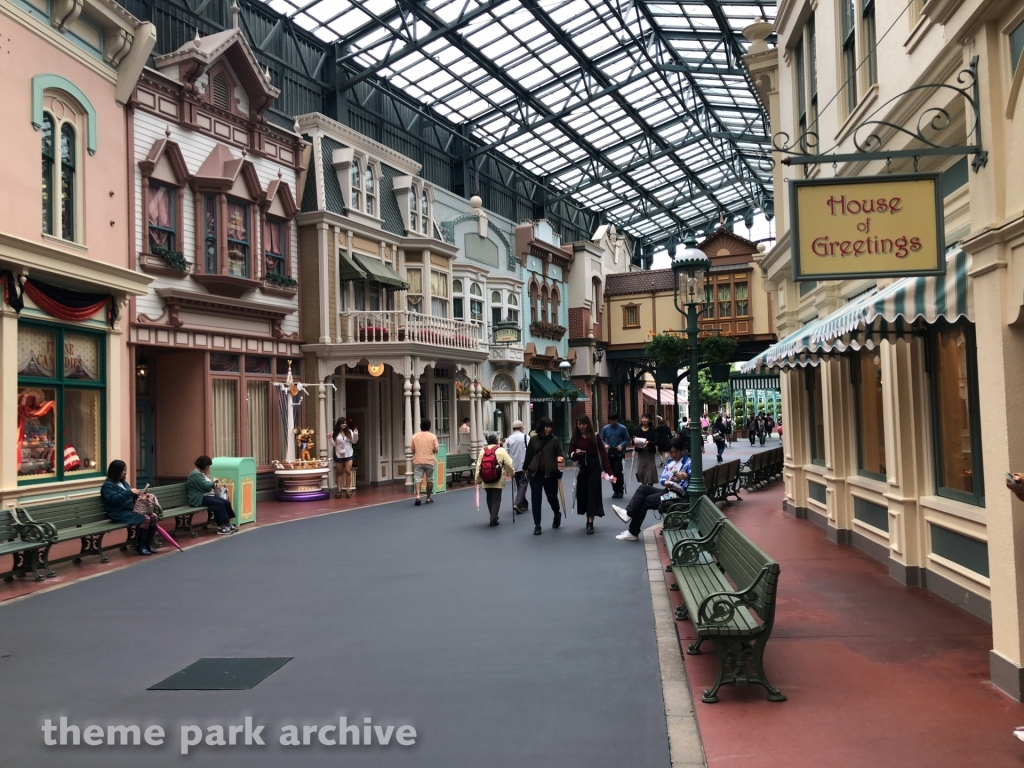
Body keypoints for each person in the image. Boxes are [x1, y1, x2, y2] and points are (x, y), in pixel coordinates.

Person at [612, 438, 690, 541]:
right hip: (669, 491)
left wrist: (687, 476)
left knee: (646, 501)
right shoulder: (670, 462)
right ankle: (628, 513)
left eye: (676, 452)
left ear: (682, 450)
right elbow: (663, 478)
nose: (673, 455)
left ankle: (633, 531)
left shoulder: (688, 462)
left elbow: (699, 478)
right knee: (643, 488)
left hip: (678, 496)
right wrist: (665, 482)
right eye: (671, 452)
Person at [101, 460, 161, 556]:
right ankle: (140, 546)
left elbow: (130, 497)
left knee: (153, 516)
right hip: (119, 513)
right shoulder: (108, 486)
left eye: (125, 470)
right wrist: (129, 492)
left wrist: (140, 496)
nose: (124, 472)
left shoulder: (124, 483)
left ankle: (148, 544)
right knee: (145, 518)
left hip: (131, 511)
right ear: (115, 471)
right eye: (122, 470)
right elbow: (113, 500)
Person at [569, 414, 613, 535]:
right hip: (582, 468)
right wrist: (577, 454)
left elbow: (603, 453)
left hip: (594, 467)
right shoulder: (575, 438)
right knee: (584, 494)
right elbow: (570, 453)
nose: (581, 427)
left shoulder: (595, 436)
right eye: (579, 424)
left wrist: (608, 470)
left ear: (588, 424)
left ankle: (590, 522)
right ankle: (588, 516)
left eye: (583, 424)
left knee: (592, 493)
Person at [523, 416, 565, 535]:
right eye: (547, 427)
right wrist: (525, 467)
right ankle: (537, 525)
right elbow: (529, 455)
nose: (549, 429)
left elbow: (559, 455)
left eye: (550, 427)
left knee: (552, 497)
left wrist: (560, 458)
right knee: (536, 499)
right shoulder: (534, 440)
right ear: (541, 427)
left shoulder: (555, 440)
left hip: (550, 474)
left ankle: (557, 514)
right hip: (535, 473)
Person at [187, 455, 238, 535]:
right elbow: (206, 487)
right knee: (218, 504)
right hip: (200, 498)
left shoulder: (201, 474)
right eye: (207, 466)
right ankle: (221, 527)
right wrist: (213, 482)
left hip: (208, 496)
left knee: (225, 502)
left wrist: (212, 483)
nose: (208, 468)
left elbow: (207, 485)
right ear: (203, 465)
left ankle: (227, 523)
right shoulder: (195, 474)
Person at [475, 432, 515, 526]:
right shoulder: (501, 450)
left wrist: (477, 479)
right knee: (496, 499)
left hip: (486, 479)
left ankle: (492, 515)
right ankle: (493, 518)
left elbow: (478, 466)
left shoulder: (482, 451)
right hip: (498, 479)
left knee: (489, 497)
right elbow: (509, 463)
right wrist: (512, 473)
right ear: (496, 440)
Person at [600, 412, 630, 498]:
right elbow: (601, 439)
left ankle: (620, 489)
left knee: (618, 471)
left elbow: (627, 439)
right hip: (610, 453)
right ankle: (615, 490)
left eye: (614, 420)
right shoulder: (606, 428)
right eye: (611, 420)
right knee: (610, 473)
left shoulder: (622, 428)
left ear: (617, 420)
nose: (613, 422)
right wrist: (605, 444)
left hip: (619, 453)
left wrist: (622, 445)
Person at [411, 418, 439, 506]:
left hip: (418, 460)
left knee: (418, 479)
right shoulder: (432, 436)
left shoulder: (415, 436)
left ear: (420, 426)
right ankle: (428, 498)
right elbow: (436, 449)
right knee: (430, 479)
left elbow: (412, 448)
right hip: (429, 461)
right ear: (429, 426)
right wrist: (432, 452)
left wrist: (417, 452)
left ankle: (418, 496)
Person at [504, 420, 530, 515]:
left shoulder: (509, 439)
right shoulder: (526, 437)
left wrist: (507, 467)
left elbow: (505, 453)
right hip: (524, 465)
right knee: (523, 483)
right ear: (521, 428)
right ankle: (518, 503)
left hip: (513, 465)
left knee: (519, 484)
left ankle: (524, 504)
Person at [332, 416, 359, 498]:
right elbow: (332, 444)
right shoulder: (335, 433)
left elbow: (354, 441)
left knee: (348, 471)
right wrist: (330, 438)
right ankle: (339, 490)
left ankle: (348, 489)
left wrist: (355, 433)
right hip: (339, 454)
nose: (344, 424)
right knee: (339, 472)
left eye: (345, 423)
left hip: (349, 454)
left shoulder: (349, 432)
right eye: (342, 423)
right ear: (339, 424)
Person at [633, 412, 659, 486]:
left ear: (650, 420)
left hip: (649, 453)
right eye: (643, 418)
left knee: (650, 471)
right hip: (641, 453)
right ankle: (644, 485)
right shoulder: (638, 429)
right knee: (640, 471)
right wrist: (634, 440)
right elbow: (634, 440)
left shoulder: (653, 430)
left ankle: (650, 487)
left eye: (646, 418)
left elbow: (656, 441)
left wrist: (649, 442)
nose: (644, 420)